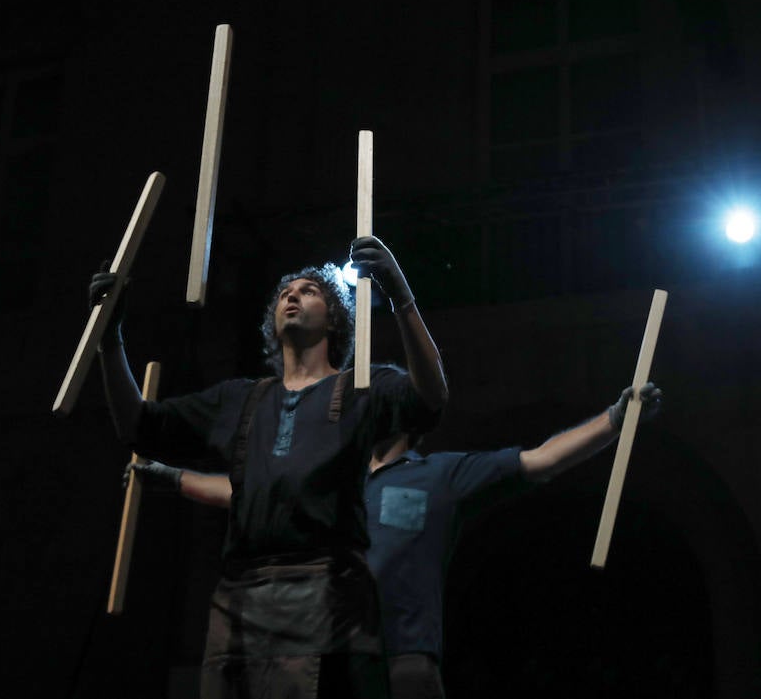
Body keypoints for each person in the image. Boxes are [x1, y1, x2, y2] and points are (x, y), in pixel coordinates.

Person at [130, 383, 662, 698]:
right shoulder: (330, 480)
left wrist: (615, 418)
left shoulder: (442, 475)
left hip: (404, 659)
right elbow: (240, 493)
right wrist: (170, 476)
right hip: (327, 658)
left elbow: (541, 460)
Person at [91, 235, 448, 699]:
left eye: (309, 290)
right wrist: (109, 339)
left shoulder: (362, 388)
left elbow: (431, 399)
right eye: (284, 293)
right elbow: (137, 425)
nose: (292, 296)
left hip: (327, 595)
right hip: (241, 600)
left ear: (336, 319)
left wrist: (401, 296)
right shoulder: (242, 399)